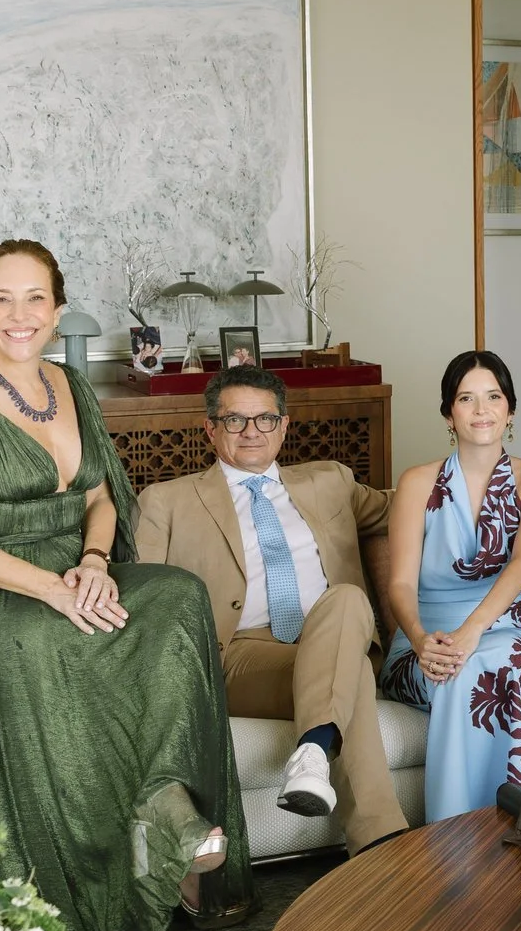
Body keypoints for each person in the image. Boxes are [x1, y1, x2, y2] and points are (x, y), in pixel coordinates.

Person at [0, 240, 248, 931]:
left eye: (35, 299)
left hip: (75, 566)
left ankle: (164, 804)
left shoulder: (71, 385)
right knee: (53, 636)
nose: (19, 314)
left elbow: (101, 498)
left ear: (57, 311)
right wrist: (52, 588)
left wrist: (92, 565)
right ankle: (115, 853)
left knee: (178, 595)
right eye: (2, 300)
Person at [134, 364, 410, 856]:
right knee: (351, 676)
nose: (251, 432)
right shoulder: (166, 501)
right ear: (211, 429)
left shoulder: (331, 480)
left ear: (283, 426)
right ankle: (381, 846)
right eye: (235, 420)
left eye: (264, 419)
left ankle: (312, 756)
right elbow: (146, 597)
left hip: (334, 633)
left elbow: (412, 510)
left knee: (347, 599)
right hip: (241, 656)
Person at [379, 351, 521, 822]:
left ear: (510, 410)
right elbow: (400, 584)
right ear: (448, 414)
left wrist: (472, 632)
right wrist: (422, 641)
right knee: (460, 666)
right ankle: (458, 840)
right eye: (466, 399)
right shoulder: (416, 482)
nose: (482, 410)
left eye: (493, 397)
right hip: (426, 645)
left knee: (510, 661)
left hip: (507, 633)